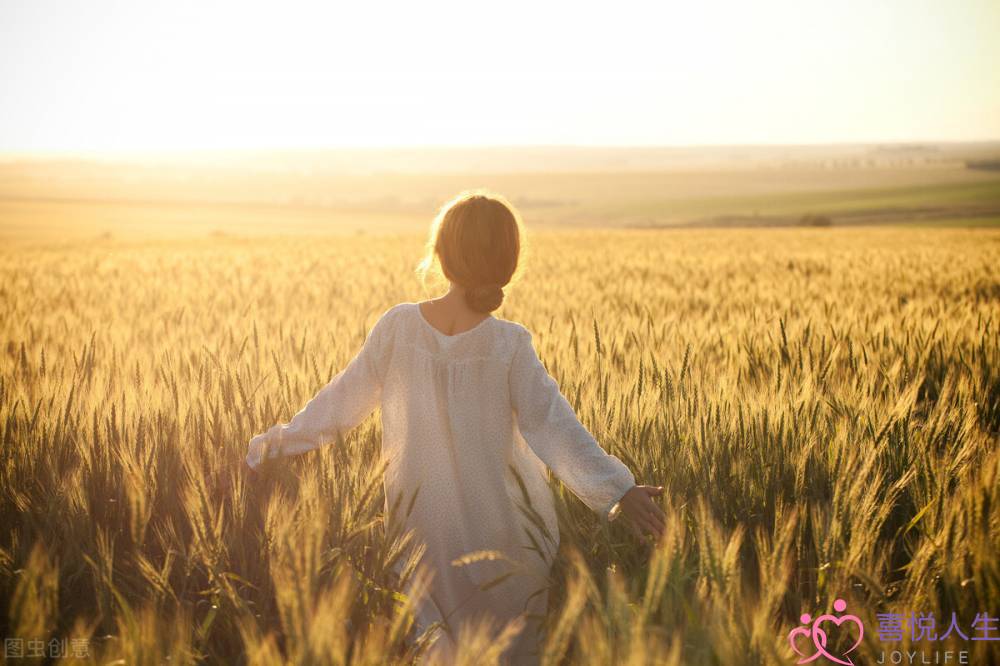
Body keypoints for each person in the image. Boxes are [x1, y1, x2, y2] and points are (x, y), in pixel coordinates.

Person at [244, 189, 666, 664]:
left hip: (421, 538)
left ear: (441, 257)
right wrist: (617, 492)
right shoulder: (508, 344)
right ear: (508, 264)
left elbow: (338, 405)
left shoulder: (398, 328)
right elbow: (553, 428)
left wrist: (267, 449)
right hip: (508, 542)